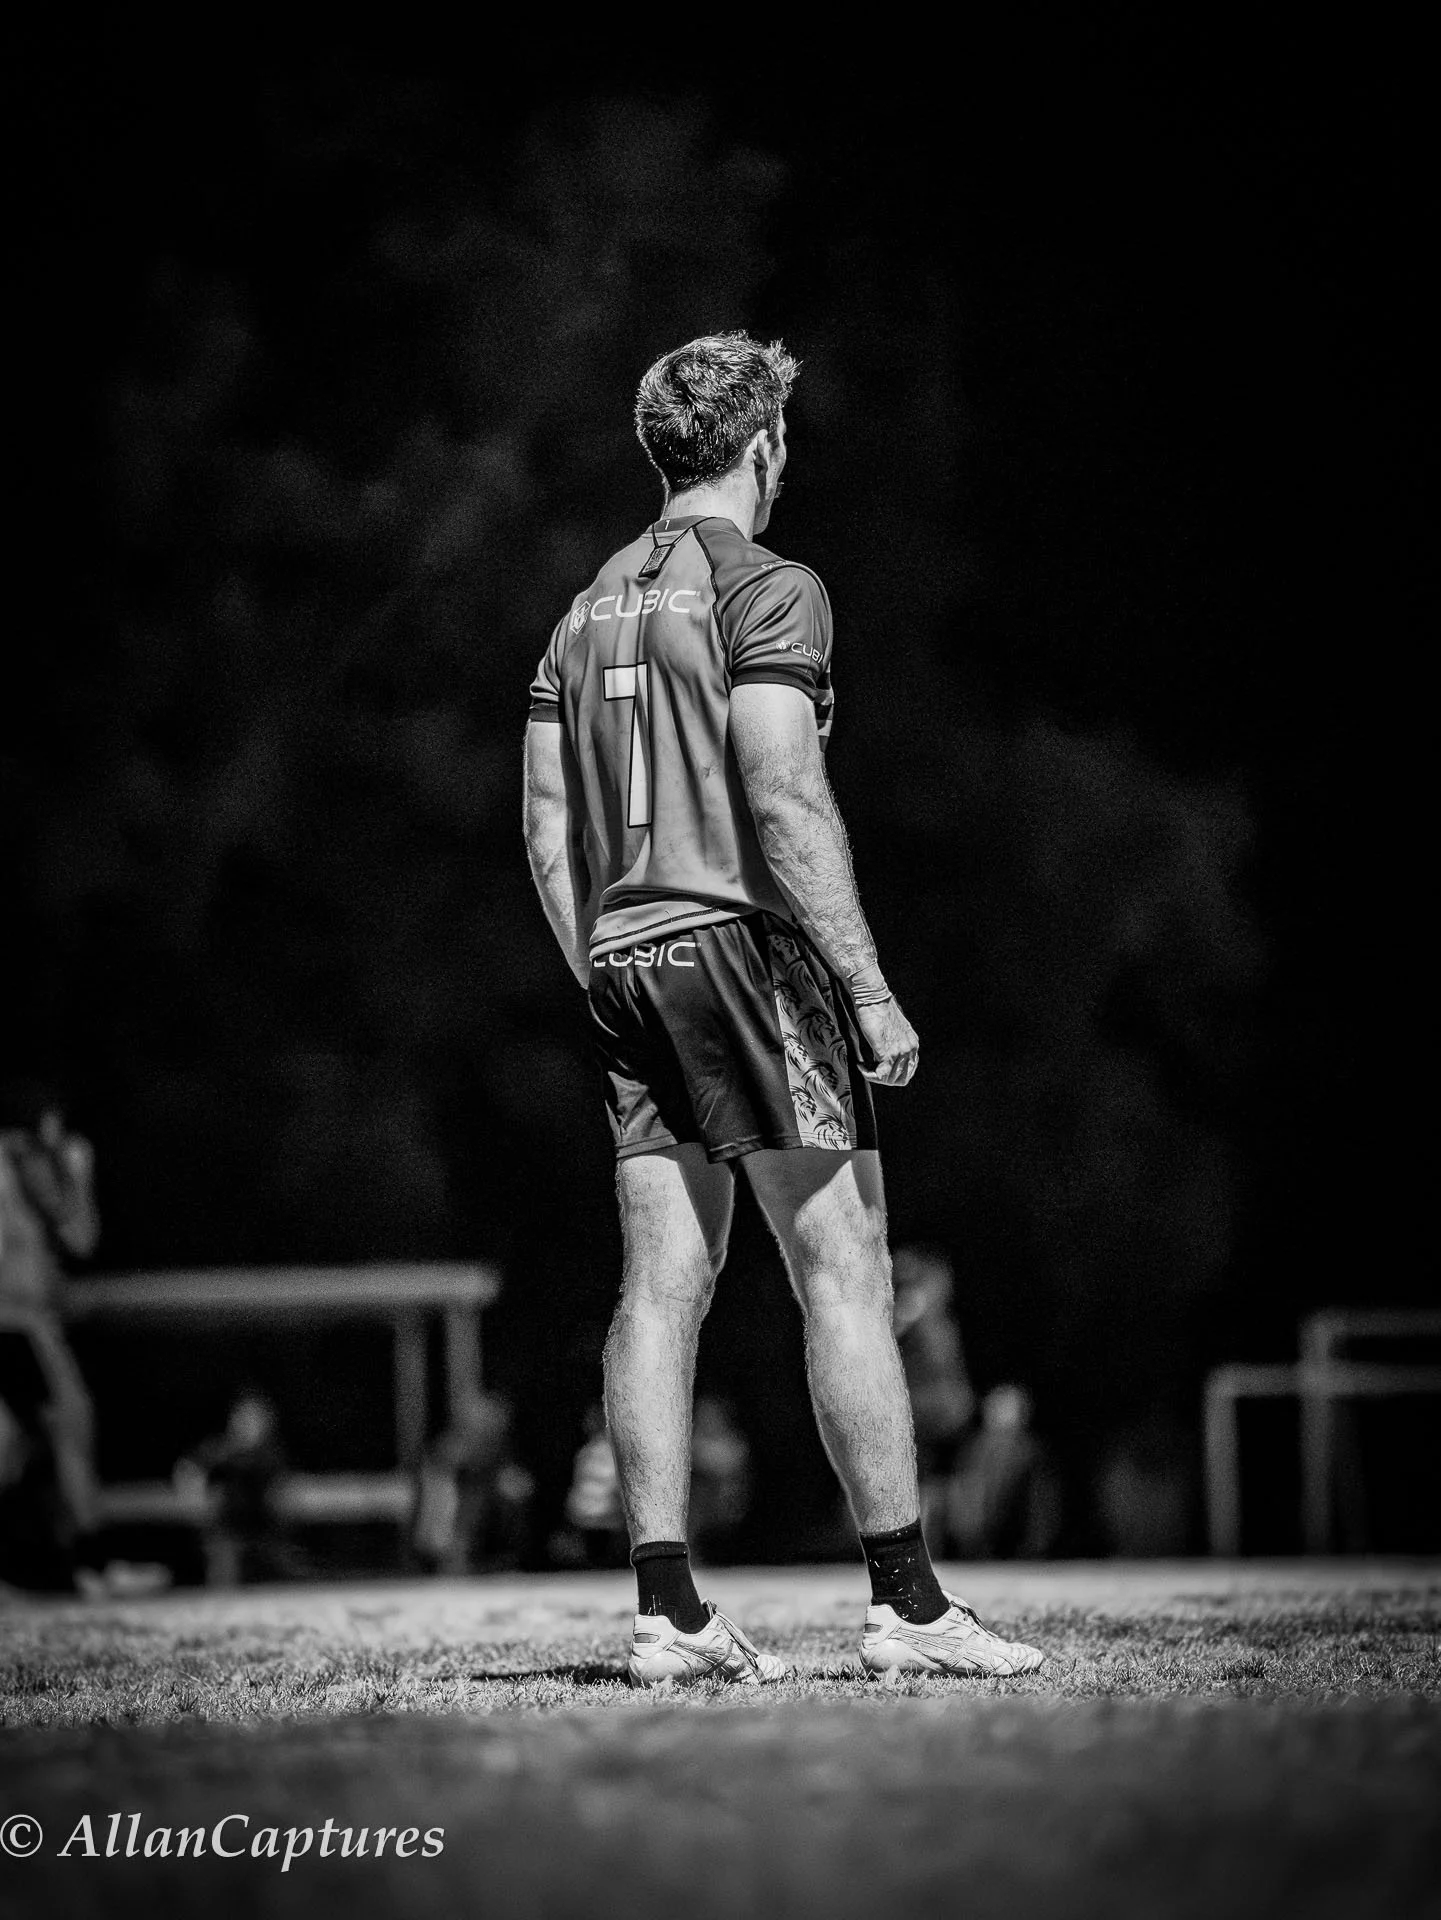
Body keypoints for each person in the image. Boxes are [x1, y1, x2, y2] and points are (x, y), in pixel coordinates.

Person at [523, 332, 1043, 1687]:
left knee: (659, 1287)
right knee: (846, 1270)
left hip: (625, 954)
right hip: (745, 950)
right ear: (762, 450)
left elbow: (540, 820)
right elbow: (782, 792)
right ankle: (907, 1604)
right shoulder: (772, 587)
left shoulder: (580, 613)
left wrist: (603, 962)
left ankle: (663, 1613)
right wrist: (866, 987)